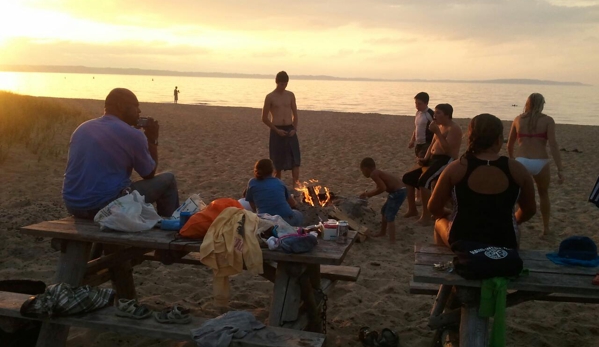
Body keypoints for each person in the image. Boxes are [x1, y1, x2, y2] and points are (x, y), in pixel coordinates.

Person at [62, 88, 179, 219]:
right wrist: (152, 140)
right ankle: (170, 226)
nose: (139, 111)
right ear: (121, 106)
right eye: (136, 106)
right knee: (169, 179)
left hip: (73, 205)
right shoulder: (133, 135)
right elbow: (148, 173)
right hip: (105, 206)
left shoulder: (82, 128)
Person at [428, 114, 536, 248]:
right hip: (504, 240)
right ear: (498, 140)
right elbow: (529, 210)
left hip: (461, 240)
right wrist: (516, 219)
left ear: (470, 138)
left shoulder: (456, 168)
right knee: (515, 229)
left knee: (439, 221)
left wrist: (446, 213)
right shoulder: (518, 169)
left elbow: (433, 207)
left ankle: (447, 262)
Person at [507, 93, 564, 235]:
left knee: (514, 195)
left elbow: (510, 144)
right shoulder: (548, 120)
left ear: (527, 103)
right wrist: (560, 168)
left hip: (521, 160)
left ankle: (511, 223)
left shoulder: (518, 119)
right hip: (541, 161)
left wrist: (512, 158)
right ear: (541, 104)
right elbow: (553, 144)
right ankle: (546, 228)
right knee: (543, 194)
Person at [402, 104, 462, 226]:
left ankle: (426, 216)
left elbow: (448, 150)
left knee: (424, 181)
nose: (435, 115)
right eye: (435, 112)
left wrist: (437, 133)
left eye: (438, 113)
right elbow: (432, 145)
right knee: (407, 178)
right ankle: (412, 210)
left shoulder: (454, 128)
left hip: (446, 160)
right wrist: (425, 158)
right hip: (433, 159)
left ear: (447, 115)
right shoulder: (439, 126)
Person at [261, 71, 301, 187]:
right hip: (276, 130)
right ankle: (277, 185)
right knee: (277, 161)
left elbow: (295, 114)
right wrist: (276, 130)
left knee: (295, 159)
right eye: (281, 84)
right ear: (277, 82)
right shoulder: (270, 97)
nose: (283, 86)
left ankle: (296, 185)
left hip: (290, 128)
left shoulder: (290, 95)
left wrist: (295, 128)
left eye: (285, 84)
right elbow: (264, 118)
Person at [359, 158, 406, 244]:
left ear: (366, 169)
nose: (363, 173)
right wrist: (367, 193)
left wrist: (370, 194)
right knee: (384, 211)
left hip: (398, 192)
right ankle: (382, 232)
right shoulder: (377, 172)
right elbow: (379, 187)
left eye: (362, 171)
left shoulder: (374, 174)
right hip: (399, 190)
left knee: (390, 215)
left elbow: (382, 188)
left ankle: (392, 240)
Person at [245, 159, 303, 226]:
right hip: (286, 220)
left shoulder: (252, 183)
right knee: (298, 214)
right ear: (272, 170)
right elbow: (292, 204)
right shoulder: (279, 182)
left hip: (265, 221)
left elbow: (251, 202)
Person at [408, 92, 435, 159]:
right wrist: (412, 140)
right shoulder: (418, 113)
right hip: (418, 143)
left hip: (427, 143)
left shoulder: (430, 114)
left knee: (422, 161)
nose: (417, 106)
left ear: (426, 103)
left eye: (419, 104)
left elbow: (438, 128)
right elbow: (417, 128)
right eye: (416, 103)